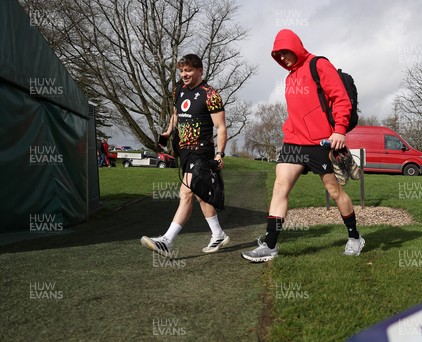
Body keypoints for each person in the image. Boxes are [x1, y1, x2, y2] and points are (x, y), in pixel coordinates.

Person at [241, 29, 365, 263]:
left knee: (334, 191)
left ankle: (354, 237)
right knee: (280, 187)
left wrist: (339, 129)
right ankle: (270, 244)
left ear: (295, 46)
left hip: (321, 142)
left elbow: (341, 98)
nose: (282, 58)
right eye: (278, 55)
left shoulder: (319, 65)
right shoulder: (290, 78)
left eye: (285, 52)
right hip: (293, 142)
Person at [140, 54, 229, 256]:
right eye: (181, 71)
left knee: (186, 193)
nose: (184, 75)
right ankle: (218, 234)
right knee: (199, 193)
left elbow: (221, 127)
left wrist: (219, 154)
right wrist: (168, 131)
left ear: (200, 71)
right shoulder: (178, 90)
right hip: (185, 151)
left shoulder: (211, 95)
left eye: (188, 70)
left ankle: (166, 241)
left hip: (202, 151)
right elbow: (176, 114)